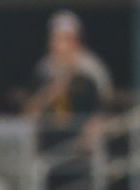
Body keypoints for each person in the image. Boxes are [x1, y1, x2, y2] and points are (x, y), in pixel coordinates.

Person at [24, 9, 112, 150]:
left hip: (82, 146)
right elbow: (29, 113)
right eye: (56, 39)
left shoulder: (91, 70)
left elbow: (104, 107)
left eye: (66, 39)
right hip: (49, 147)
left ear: (76, 42)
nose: (60, 46)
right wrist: (50, 94)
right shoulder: (43, 70)